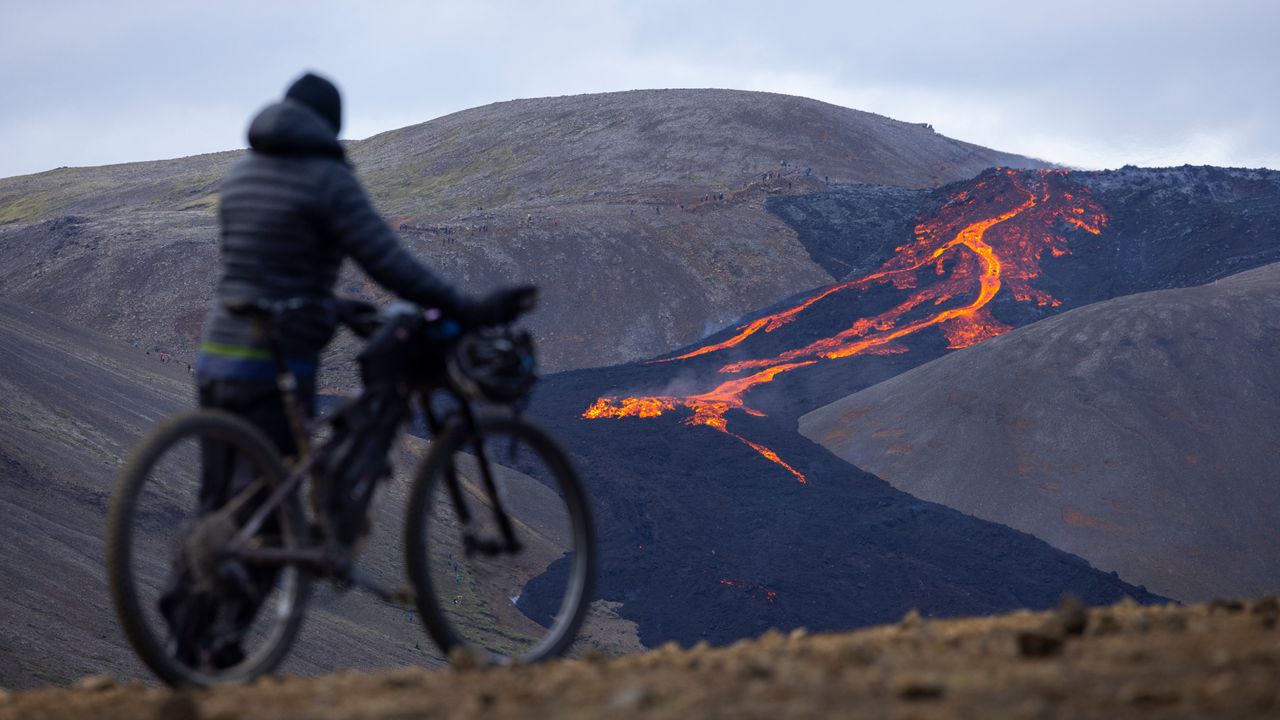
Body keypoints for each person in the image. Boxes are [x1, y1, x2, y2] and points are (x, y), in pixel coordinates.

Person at [164, 71, 523, 669]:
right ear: (329, 125)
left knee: (223, 506)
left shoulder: (242, 174)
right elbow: (386, 259)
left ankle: (184, 642)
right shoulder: (325, 176)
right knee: (275, 518)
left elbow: (263, 265)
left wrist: (331, 306)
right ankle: (212, 644)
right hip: (275, 363)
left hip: (218, 359)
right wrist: (464, 305)